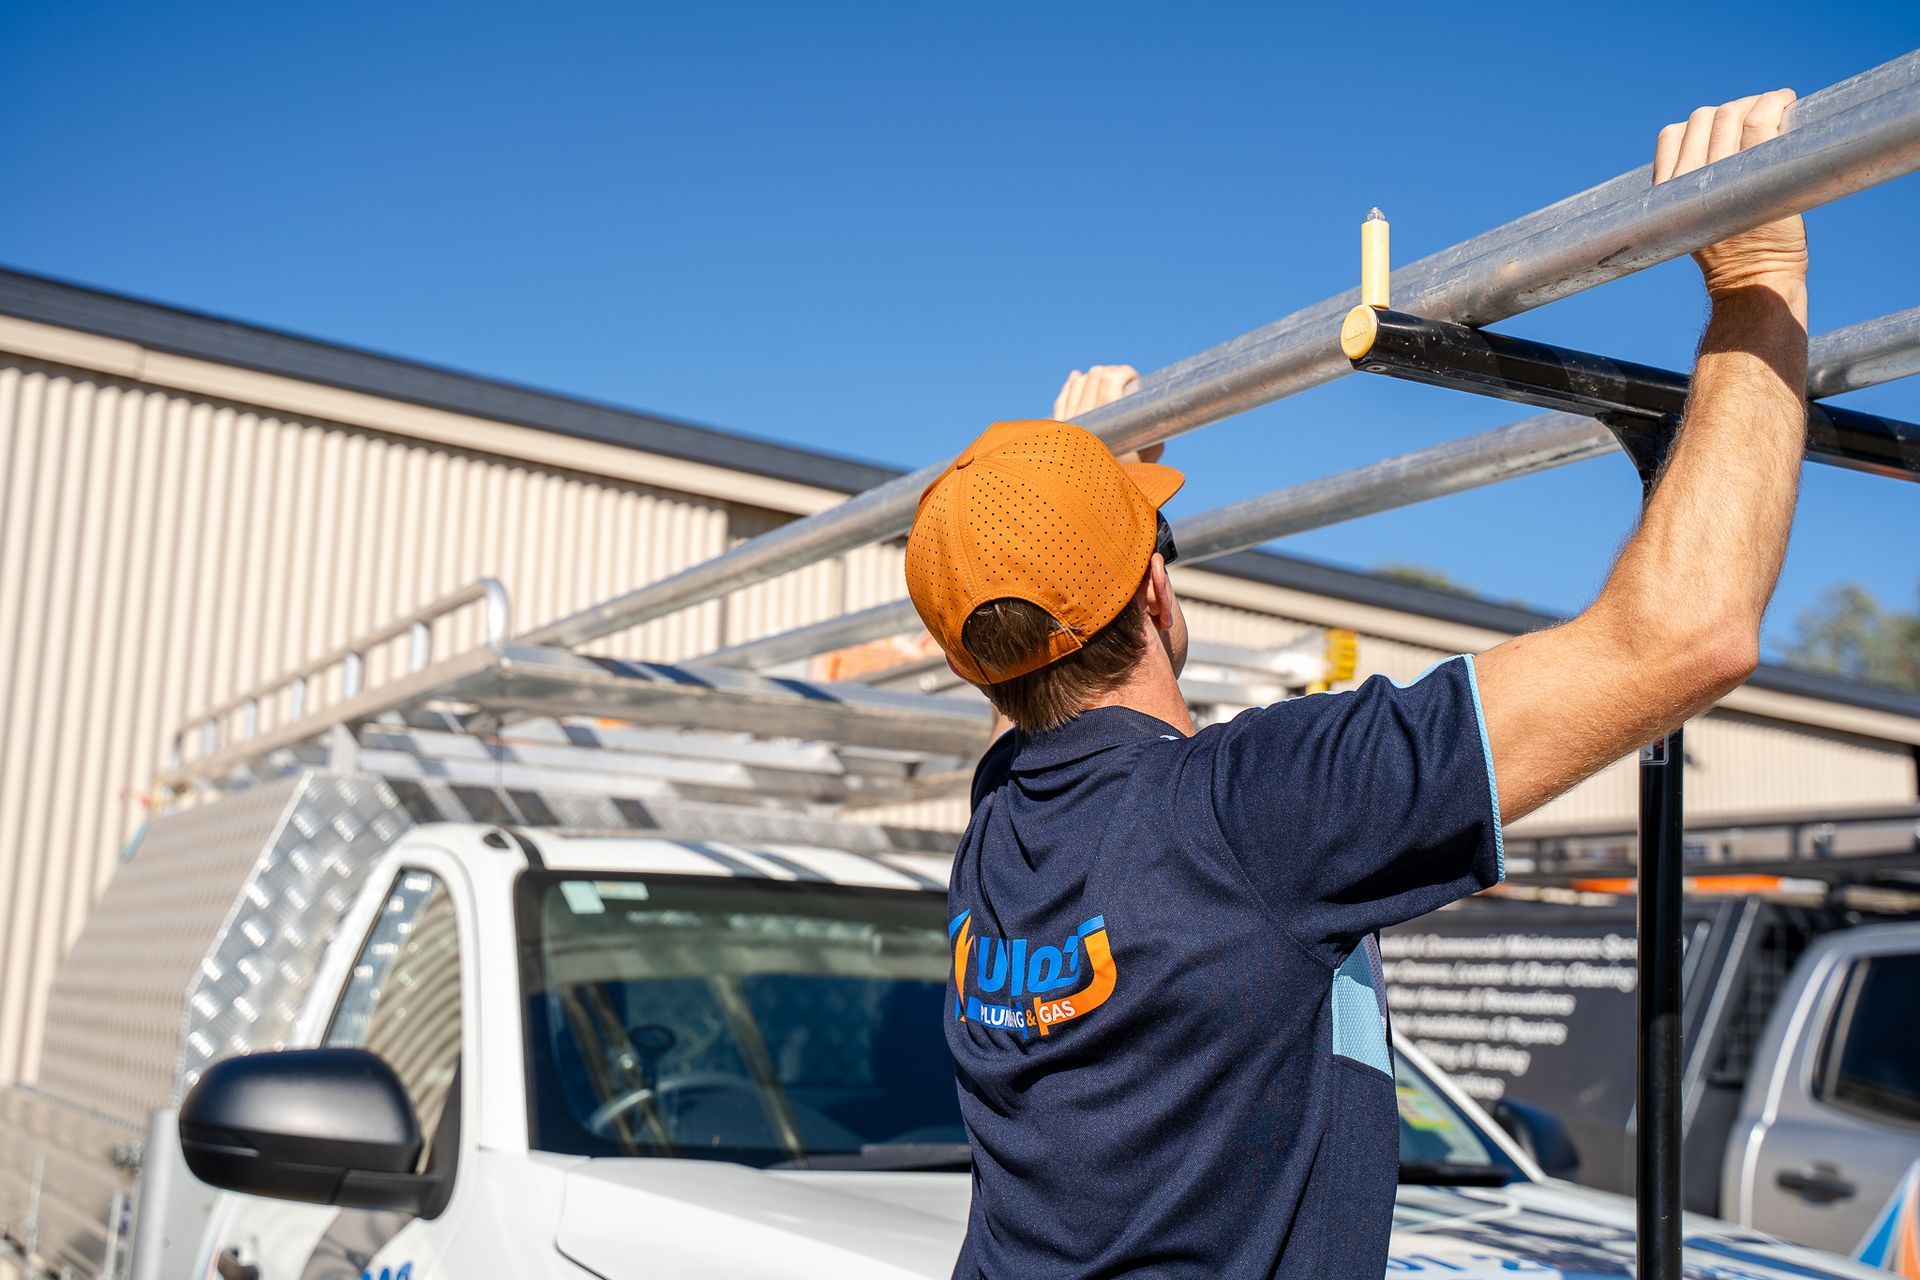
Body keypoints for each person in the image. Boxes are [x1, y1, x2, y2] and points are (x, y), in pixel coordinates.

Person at [903, 89, 1809, 1280]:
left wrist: (1070, 495)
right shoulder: (1249, 810)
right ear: (1158, 592)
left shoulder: (1002, 824)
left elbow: (1026, 659)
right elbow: (1688, 634)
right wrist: (1757, 281)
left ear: (976, 666)